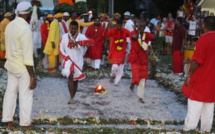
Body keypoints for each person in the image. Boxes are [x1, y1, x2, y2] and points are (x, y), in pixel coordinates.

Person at [2, 1, 36, 129]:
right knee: (26, 95)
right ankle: (25, 123)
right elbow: (27, 56)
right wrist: (32, 76)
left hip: (11, 64)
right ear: (28, 13)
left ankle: (8, 121)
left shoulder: (10, 25)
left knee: (10, 93)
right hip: (22, 68)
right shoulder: (25, 28)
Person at [182, 16, 215, 132]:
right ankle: (205, 131)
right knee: (208, 109)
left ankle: (189, 130)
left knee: (194, 109)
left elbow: (197, 61)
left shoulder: (203, 39)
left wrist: (188, 75)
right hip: (212, 82)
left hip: (200, 80)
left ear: (204, 25)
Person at [59, 21, 94, 104]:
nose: (73, 30)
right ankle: (71, 97)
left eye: (75, 29)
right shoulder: (64, 36)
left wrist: (78, 43)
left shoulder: (81, 36)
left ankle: (73, 96)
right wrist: (65, 57)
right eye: (72, 28)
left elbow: (92, 41)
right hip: (68, 60)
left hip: (78, 60)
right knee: (70, 76)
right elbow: (60, 47)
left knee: (75, 80)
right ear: (69, 28)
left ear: (77, 29)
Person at [129, 20, 160, 103]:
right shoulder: (133, 32)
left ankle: (140, 97)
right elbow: (134, 37)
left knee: (143, 78)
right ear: (138, 26)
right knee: (136, 76)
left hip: (143, 60)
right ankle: (133, 82)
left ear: (145, 27)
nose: (142, 28)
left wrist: (158, 31)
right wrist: (138, 31)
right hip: (135, 60)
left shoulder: (146, 35)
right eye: (140, 26)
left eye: (143, 27)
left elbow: (154, 38)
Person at [104, 20, 130, 85]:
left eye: (120, 26)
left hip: (122, 52)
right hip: (114, 51)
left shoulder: (125, 31)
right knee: (115, 66)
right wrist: (107, 27)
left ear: (122, 25)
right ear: (116, 25)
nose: (119, 27)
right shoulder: (112, 30)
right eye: (117, 26)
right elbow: (105, 35)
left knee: (120, 68)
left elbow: (132, 35)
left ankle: (116, 82)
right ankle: (112, 75)